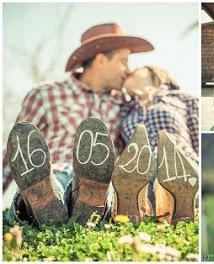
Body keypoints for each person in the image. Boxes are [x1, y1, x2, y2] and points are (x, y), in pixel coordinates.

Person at [3, 23, 154, 226]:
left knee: (96, 187)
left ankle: (84, 200)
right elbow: (15, 153)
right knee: (49, 179)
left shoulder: (126, 105)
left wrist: (142, 91)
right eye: (123, 62)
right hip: (52, 170)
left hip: (100, 184)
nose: (128, 71)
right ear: (101, 60)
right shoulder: (45, 95)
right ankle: (43, 198)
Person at [119, 66, 199, 224]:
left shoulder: (182, 99)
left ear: (155, 75)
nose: (128, 71)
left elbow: (197, 138)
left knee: (164, 161)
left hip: (179, 160)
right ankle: (158, 202)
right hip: (139, 168)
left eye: (136, 69)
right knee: (134, 177)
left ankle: (172, 195)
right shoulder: (125, 111)